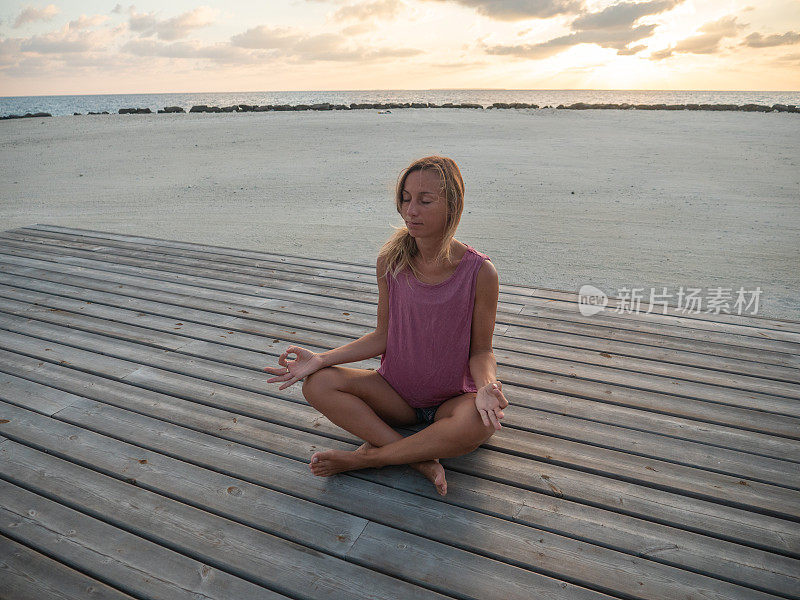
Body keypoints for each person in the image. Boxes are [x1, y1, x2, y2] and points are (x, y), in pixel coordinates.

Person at [264, 155, 508, 496]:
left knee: (479, 423)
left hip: (454, 400)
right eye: (406, 199)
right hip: (396, 395)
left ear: (453, 205)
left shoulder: (481, 273)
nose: (411, 211)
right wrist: (322, 359)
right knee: (316, 385)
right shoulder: (391, 261)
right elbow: (383, 337)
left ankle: (367, 459)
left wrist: (486, 386)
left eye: (425, 201)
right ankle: (419, 459)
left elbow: (482, 350)